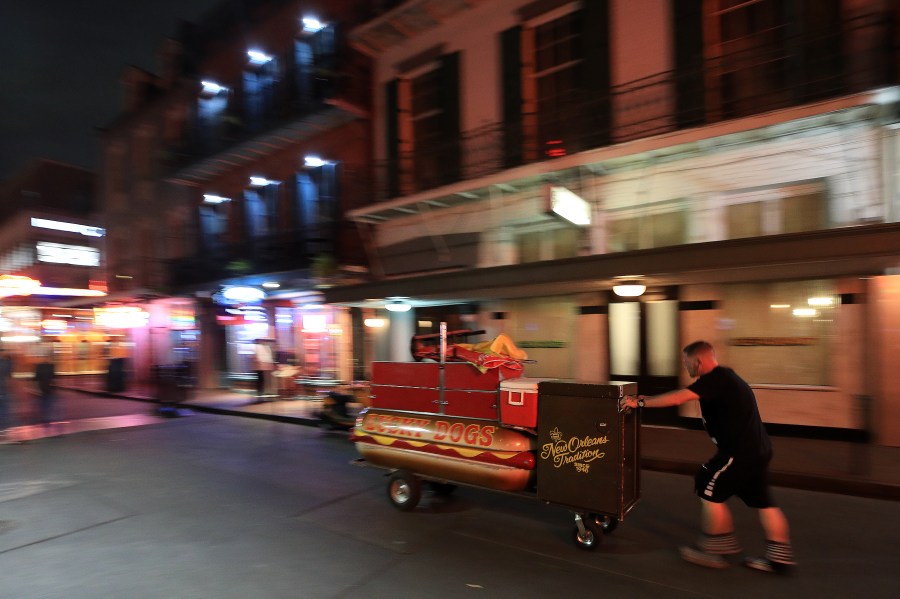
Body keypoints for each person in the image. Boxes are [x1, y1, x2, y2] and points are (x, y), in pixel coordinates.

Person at [619, 340, 795, 574]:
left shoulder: (716, 379)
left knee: (707, 487)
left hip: (739, 452)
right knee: (764, 502)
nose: (685, 367)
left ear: (698, 361)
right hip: (757, 450)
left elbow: (679, 398)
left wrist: (640, 402)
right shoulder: (727, 377)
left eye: (686, 363)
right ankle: (780, 559)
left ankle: (714, 550)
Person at [35, 352, 58, 428]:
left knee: (44, 404)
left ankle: (44, 419)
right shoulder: (51, 366)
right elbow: (54, 377)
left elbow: (36, 377)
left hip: (42, 387)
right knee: (48, 404)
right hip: (48, 387)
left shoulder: (39, 366)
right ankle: (47, 419)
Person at [0, 348, 13, 436]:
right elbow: (9, 374)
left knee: (3, 409)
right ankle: (3, 429)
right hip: (3, 389)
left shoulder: (5, 363)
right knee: (3, 409)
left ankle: (3, 429)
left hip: (3, 389)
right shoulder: (6, 363)